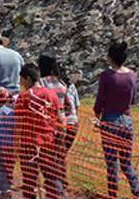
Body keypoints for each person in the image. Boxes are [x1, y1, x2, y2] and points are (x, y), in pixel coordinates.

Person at [94, 41, 139, 199]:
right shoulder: (132, 75)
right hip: (126, 120)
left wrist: (97, 116)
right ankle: (137, 193)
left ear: (110, 57)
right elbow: (133, 100)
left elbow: (100, 100)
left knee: (111, 164)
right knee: (126, 162)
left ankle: (113, 194)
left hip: (109, 120)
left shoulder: (106, 75)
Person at [16, 63, 64, 198]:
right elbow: (59, 119)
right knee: (51, 176)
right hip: (48, 141)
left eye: (22, 79)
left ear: (28, 79)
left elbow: (18, 123)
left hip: (28, 144)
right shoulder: (52, 95)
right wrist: (59, 140)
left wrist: (15, 144)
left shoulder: (23, 97)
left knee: (29, 180)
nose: (20, 83)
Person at [38, 53, 79, 186]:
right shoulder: (62, 84)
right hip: (64, 123)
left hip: (49, 125)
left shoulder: (42, 83)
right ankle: (61, 182)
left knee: (48, 158)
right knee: (59, 154)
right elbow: (70, 105)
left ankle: (55, 186)